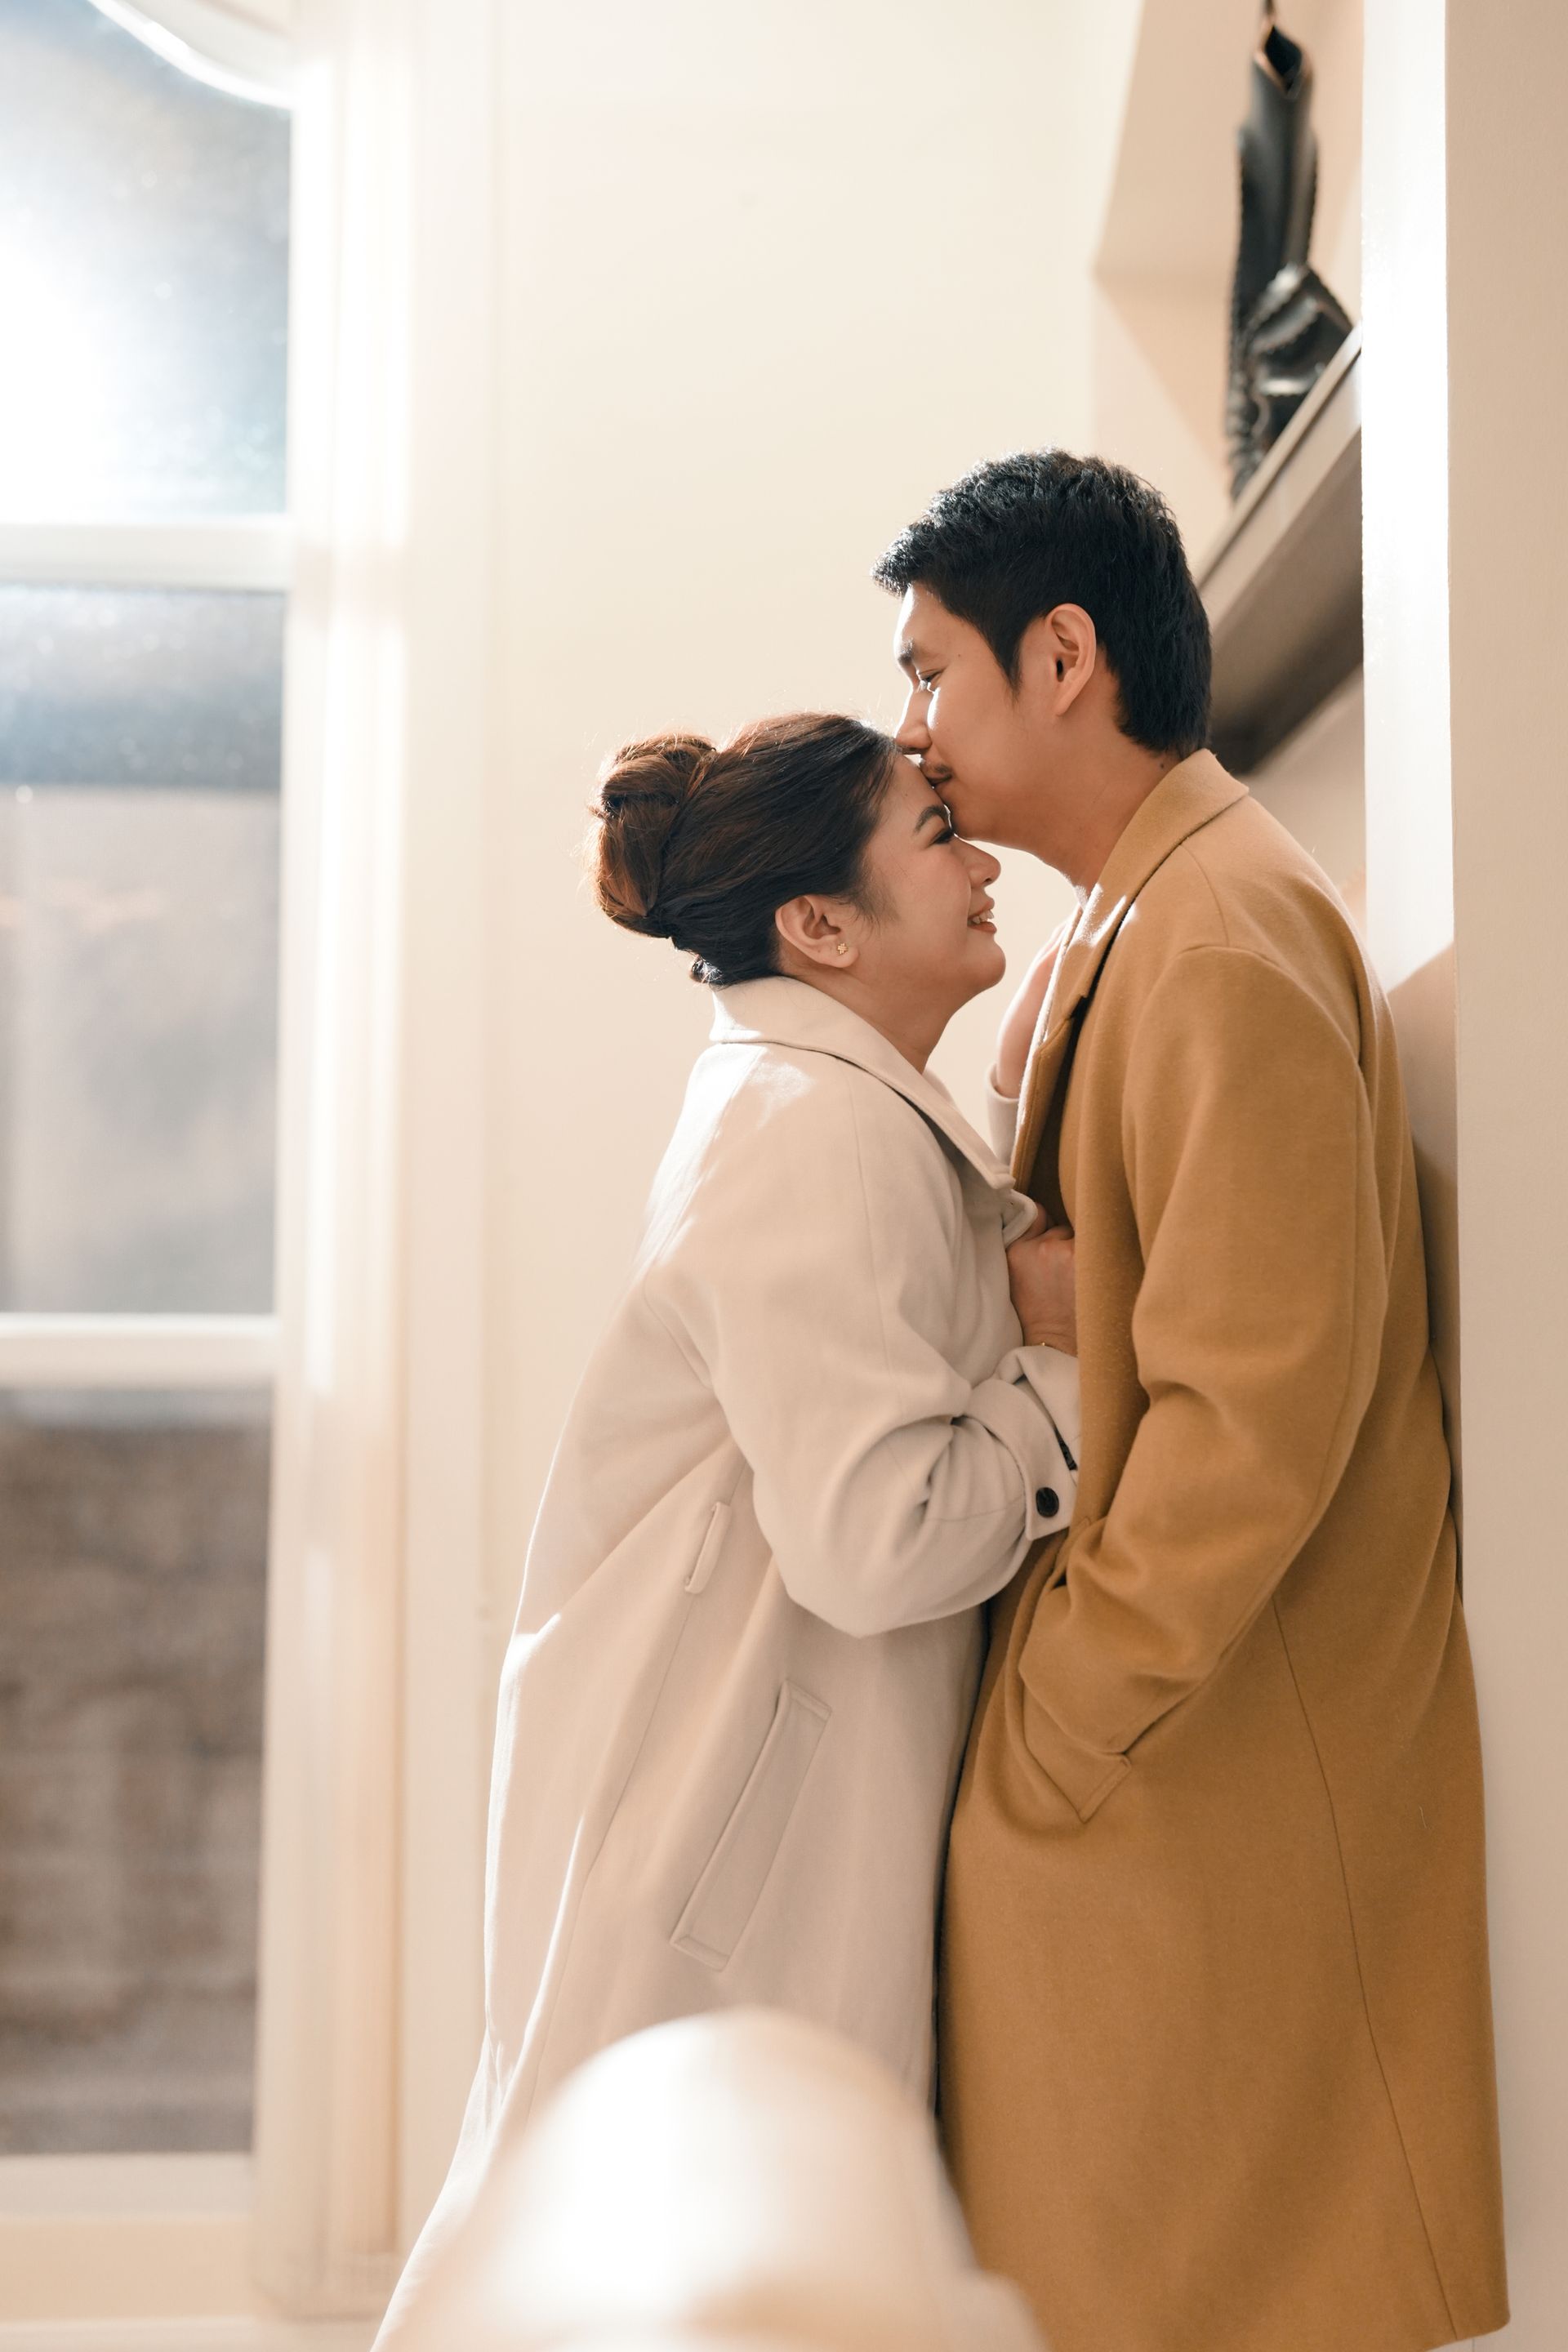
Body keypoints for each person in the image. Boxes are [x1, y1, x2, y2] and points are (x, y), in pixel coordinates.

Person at [875, 451, 1509, 2352]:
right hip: (1170, 1759)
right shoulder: (1138, 919)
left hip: (1200, 1759)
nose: (911, 733)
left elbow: (1254, 1414)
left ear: (1064, 658)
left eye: (932, 673)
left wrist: (1070, 1711)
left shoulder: (1218, 932)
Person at [372, 712, 1081, 2346]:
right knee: (659, 2271)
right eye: (936, 835)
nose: (983, 864)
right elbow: (880, 1540)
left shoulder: (816, 1103)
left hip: (712, 1802)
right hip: (718, 1837)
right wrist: (1058, 1364)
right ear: (819, 923)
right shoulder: (810, 1130)